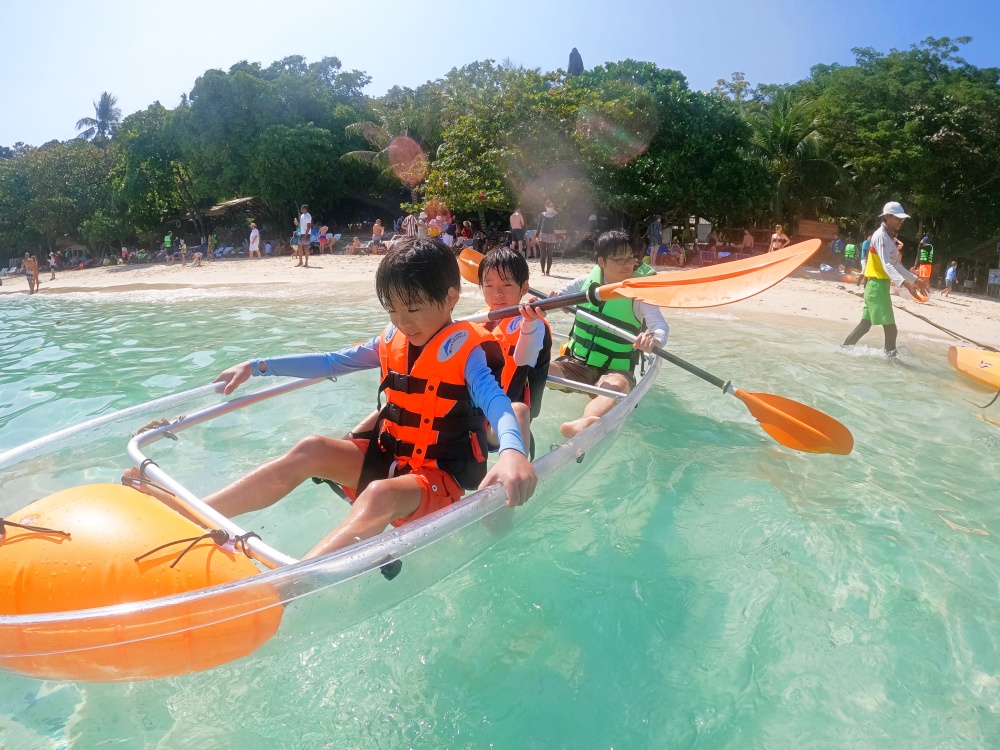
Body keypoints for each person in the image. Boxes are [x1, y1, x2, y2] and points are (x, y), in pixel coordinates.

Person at [124, 237, 536, 561]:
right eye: (392, 310)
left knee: (378, 494)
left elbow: (499, 405)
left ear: (450, 298)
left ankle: (287, 586)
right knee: (311, 448)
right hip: (389, 460)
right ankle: (195, 514)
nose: (402, 322)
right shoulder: (391, 339)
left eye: (412, 309)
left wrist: (513, 451)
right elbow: (329, 362)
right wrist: (258, 365)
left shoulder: (466, 354)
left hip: (438, 480)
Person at [548, 230, 668, 438]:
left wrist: (654, 338)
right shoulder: (585, 282)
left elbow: (660, 325)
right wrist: (557, 298)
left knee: (617, 387)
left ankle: (582, 424)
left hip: (615, 369)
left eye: (630, 258)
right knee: (536, 369)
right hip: (576, 363)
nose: (627, 265)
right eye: (619, 259)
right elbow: (558, 296)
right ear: (601, 261)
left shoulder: (639, 293)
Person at [478, 247, 552, 453]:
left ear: (524, 287)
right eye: (489, 285)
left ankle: (516, 473)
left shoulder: (533, 324)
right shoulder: (478, 318)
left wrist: (528, 324)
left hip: (502, 422)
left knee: (519, 411)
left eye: (507, 285)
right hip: (470, 415)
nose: (497, 293)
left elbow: (522, 358)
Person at [843, 202, 930, 356]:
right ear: (887, 217)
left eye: (902, 219)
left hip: (877, 286)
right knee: (891, 329)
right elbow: (887, 266)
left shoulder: (890, 238)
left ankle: (843, 350)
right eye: (898, 218)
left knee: (865, 325)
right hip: (876, 286)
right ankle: (892, 362)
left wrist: (916, 280)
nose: (901, 222)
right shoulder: (881, 236)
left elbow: (896, 265)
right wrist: (906, 284)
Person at [536, 200, 559, 276]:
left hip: (551, 235)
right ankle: (542, 271)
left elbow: (558, 224)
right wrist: (537, 236)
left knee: (550, 254)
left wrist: (555, 213)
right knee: (543, 254)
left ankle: (548, 271)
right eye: (549, 206)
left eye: (552, 206)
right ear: (546, 207)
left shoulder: (555, 215)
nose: (550, 207)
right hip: (542, 235)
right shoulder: (542, 214)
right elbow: (539, 226)